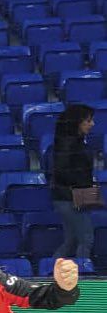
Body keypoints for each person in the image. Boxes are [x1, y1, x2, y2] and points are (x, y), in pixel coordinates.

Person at [51, 103, 98, 267]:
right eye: (88, 121)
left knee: (71, 240)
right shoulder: (69, 145)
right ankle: (82, 276)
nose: (92, 124)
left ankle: (50, 272)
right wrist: (84, 185)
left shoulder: (70, 142)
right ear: (77, 122)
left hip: (70, 196)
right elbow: (63, 173)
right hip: (71, 198)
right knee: (86, 238)